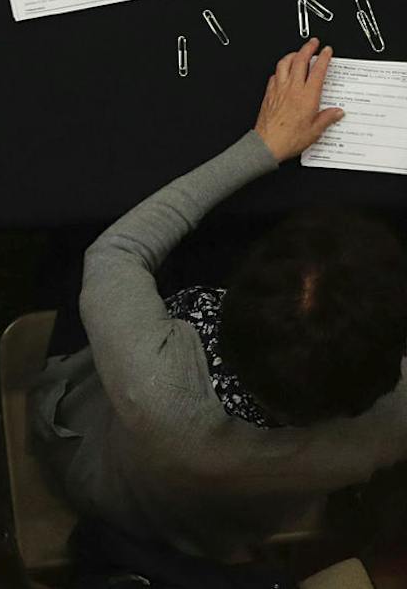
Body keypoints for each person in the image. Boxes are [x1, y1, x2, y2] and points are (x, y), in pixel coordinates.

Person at [31, 39, 407, 558]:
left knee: (82, 238)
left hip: (107, 484)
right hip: (233, 521)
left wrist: (264, 146)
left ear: (228, 300)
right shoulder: (396, 418)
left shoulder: (158, 383)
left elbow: (116, 250)